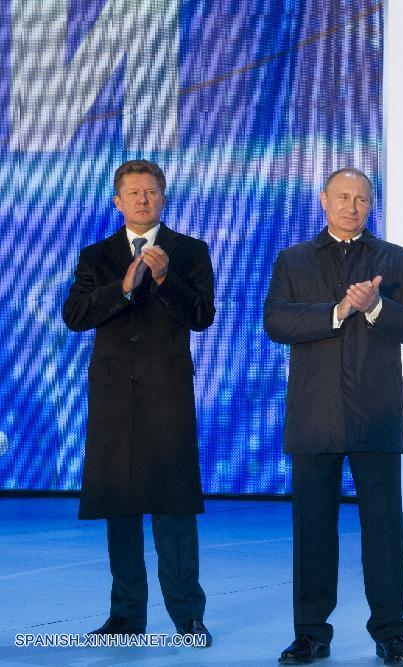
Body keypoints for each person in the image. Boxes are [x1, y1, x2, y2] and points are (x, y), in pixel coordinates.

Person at [264, 168, 403, 666]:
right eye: (342, 197)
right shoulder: (294, 259)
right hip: (314, 414)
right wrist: (337, 312)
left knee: (384, 530)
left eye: (361, 198)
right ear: (324, 200)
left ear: (371, 204)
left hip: (376, 413)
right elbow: (275, 320)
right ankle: (310, 634)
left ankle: (391, 634)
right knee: (312, 530)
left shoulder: (397, 260)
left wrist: (378, 306)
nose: (351, 206)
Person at [62, 159, 215, 645]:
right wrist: (123, 287)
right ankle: (126, 617)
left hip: (167, 394)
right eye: (133, 193)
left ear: (163, 198)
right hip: (114, 397)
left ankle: (188, 616)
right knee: (120, 508)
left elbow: (202, 316)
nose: (143, 199)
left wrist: (166, 279)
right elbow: (75, 315)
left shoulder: (189, 251)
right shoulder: (96, 255)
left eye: (151, 191)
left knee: (174, 509)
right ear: (118, 201)